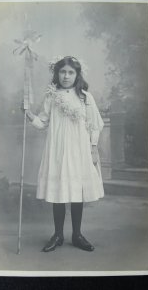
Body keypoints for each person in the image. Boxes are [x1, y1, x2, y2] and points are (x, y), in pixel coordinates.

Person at [25, 56, 104, 252]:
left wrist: (93, 148)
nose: (66, 76)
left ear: (77, 75)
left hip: (79, 150)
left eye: (70, 72)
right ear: (57, 73)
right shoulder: (51, 96)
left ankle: (77, 235)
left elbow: (95, 124)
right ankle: (58, 234)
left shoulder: (86, 97)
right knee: (58, 191)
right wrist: (29, 115)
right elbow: (43, 122)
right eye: (62, 72)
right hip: (58, 149)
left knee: (77, 192)